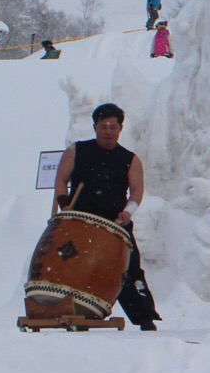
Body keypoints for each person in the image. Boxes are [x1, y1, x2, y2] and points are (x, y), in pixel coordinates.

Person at [52, 103, 161, 329]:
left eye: (113, 126)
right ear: (95, 127)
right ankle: (67, 309)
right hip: (78, 222)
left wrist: (127, 212)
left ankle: (144, 317)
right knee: (68, 262)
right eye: (103, 126)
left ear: (120, 128)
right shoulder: (77, 151)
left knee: (129, 269)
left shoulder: (130, 159)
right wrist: (65, 204)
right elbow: (61, 180)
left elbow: (137, 191)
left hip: (115, 224)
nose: (108, 131)